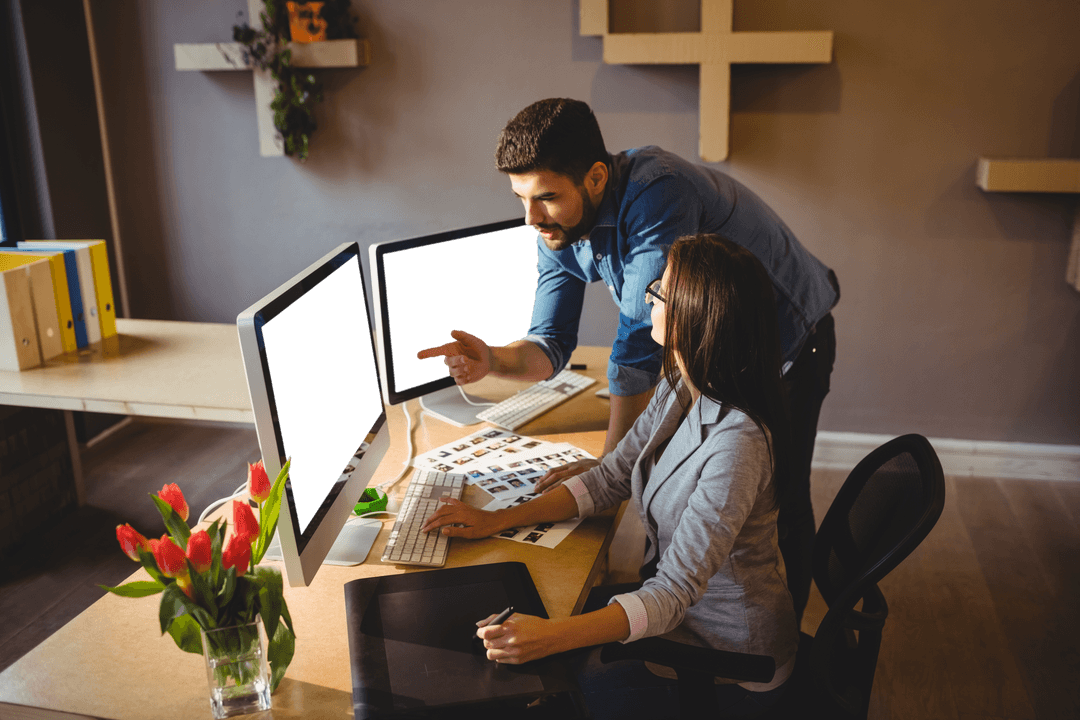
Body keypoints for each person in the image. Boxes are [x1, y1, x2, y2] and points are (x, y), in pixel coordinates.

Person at [418, 98, 838, 622]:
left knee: (780, 502)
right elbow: (549, 343)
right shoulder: (557, 223)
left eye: (546, 197)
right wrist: (495, 361)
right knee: (686, 500)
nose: (530, 217)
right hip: (706, 361)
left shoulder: (659, 192)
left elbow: (638, 342)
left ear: (595, 178)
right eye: (521, 197)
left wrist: (610, 464)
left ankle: (784, 643)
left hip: (790, 340)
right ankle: (675, 606)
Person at [423, 234, 798, 718]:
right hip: (682, 615)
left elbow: (672, 593)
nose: (649, 294)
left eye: (661, 290)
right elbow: (611, 477)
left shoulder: (738, 444)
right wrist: (498, 519)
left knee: (554, 688)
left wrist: (549, 639)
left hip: (728, 655)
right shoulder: (683, 384)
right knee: (548, 619)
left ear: (696, 315)